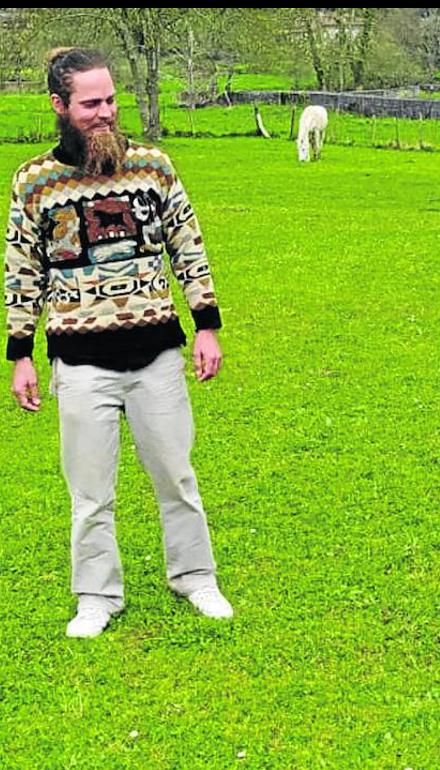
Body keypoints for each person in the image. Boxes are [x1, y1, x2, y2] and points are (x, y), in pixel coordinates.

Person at [5, 48, 233, 637]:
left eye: (110, 99)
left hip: (156, 352)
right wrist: (20, 354)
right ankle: (96, 596)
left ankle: (195, 576)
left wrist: (206, 324)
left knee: (176, 477)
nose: (105, 112)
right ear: (60, 106)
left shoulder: (154, 166)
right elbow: (21, 271)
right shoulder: (34, 182)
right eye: (90, 103)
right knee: (90, 493)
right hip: (80, 362)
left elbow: (188, 244)